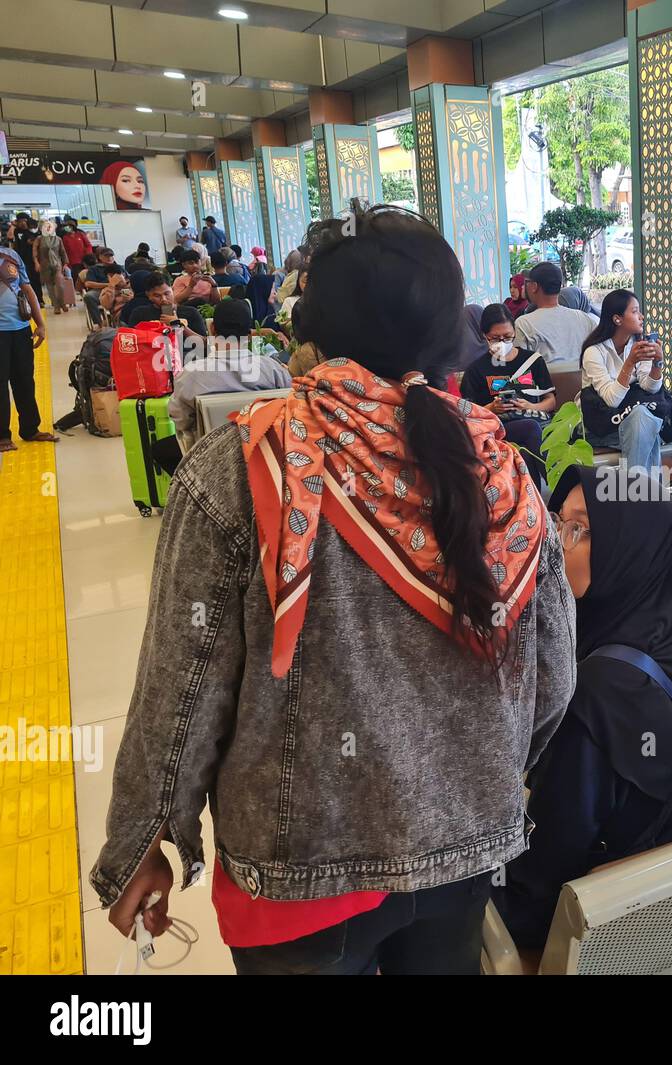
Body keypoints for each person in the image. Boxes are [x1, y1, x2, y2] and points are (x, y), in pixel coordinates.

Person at [93, 204, 576, 976]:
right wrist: (477, 775)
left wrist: (146, 835)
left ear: (307, 328)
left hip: (296, 876)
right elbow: (552, 674)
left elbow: (182, 685)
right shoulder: (500, 466)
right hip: (461, 853)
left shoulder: (247, 463)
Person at [493, 465, 672, 949]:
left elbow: (540, 878)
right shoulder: (666, 613)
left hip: (614, 924)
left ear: (626, 550)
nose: (558, 543)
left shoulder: (598, 693)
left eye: (580, 530)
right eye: (559, 521)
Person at [160, 298, 293, 465]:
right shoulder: (272, 370)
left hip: (211, 462)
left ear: (212, 328)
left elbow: (180, 421)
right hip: (266, 459)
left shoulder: (191, 374)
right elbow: (290, 407)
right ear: (250, 333)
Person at [460, 303, 556, 487]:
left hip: (534, 419)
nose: (502, 343)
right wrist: (492, 408)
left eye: (508, 337)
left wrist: (530, 406)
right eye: (495, 338)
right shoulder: (476, 370)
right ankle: (560, 491)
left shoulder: (532, 361)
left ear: (514, 332)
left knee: (526, 449)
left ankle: (536, 507)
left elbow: (551, 401)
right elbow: (469, 414)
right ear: (484, 336)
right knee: (530, 428)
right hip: (498, 428)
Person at [580, 288, 667, 473]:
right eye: (635, 311)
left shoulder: (637, 345)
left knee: (642, 419)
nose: (641, 316)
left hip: (632, 420)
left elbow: (649, 388)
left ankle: (635, 496)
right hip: (600, 425)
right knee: (647, 430)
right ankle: (647, 498)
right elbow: (612, 400)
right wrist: (629, 364)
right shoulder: (594, 352)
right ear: (617, 319)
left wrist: (657, 363)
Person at [0, 246, 52, 454]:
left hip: (21, 328)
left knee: (24, 380)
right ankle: (3, 435)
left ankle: (30, 429)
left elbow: (27, 288)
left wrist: (39, 324)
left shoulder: (9, 255)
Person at [512, 262, 598, 367]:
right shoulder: (584, 318)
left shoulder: (523, 324)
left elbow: (519, 368)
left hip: (544, 382)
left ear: (534, 286)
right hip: (584, 381)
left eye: (527, 283)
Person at [124, 270, 208, 342]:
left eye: (167, 293)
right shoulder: (139, 313)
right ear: (148, 295)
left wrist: (178, 325)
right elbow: (131, 341)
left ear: (172, 289)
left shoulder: (190, 312)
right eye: (157, 296)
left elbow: (204, 343)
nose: (164, 299)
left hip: (187, 357)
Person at [35, 220, 70, 314]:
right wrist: (36, 263)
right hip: (44, 264)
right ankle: (56, 305)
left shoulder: (58, 239)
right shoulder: (39, 239)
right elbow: (34, 253)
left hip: (57, 263)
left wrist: (66, 263)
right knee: (50, 287)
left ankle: (62, 302)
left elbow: (63, 252)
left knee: (60, 285)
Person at [82, 246, 117, 324]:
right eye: (106, 256)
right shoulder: (94, 269)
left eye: (111, 256)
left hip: (118, 290)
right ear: (100, 257)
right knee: (89, 296)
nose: (109, 258)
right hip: (100, 291)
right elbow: (88, 283)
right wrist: (108, 284)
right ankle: (99, 323)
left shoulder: (119, 268)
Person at [61, 221, 94, 295]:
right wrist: (66, 262)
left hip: (84, 260)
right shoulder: (65, 238)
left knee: (87, 276)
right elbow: (64, 250)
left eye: (68, 226)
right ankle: (82, 292)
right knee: (77, 277)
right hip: (73, 262)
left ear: (72, 227)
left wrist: (87, 255)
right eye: (65, 227)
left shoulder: (80, 234)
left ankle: (89, 291)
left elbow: (88, 245)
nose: (66, 228)